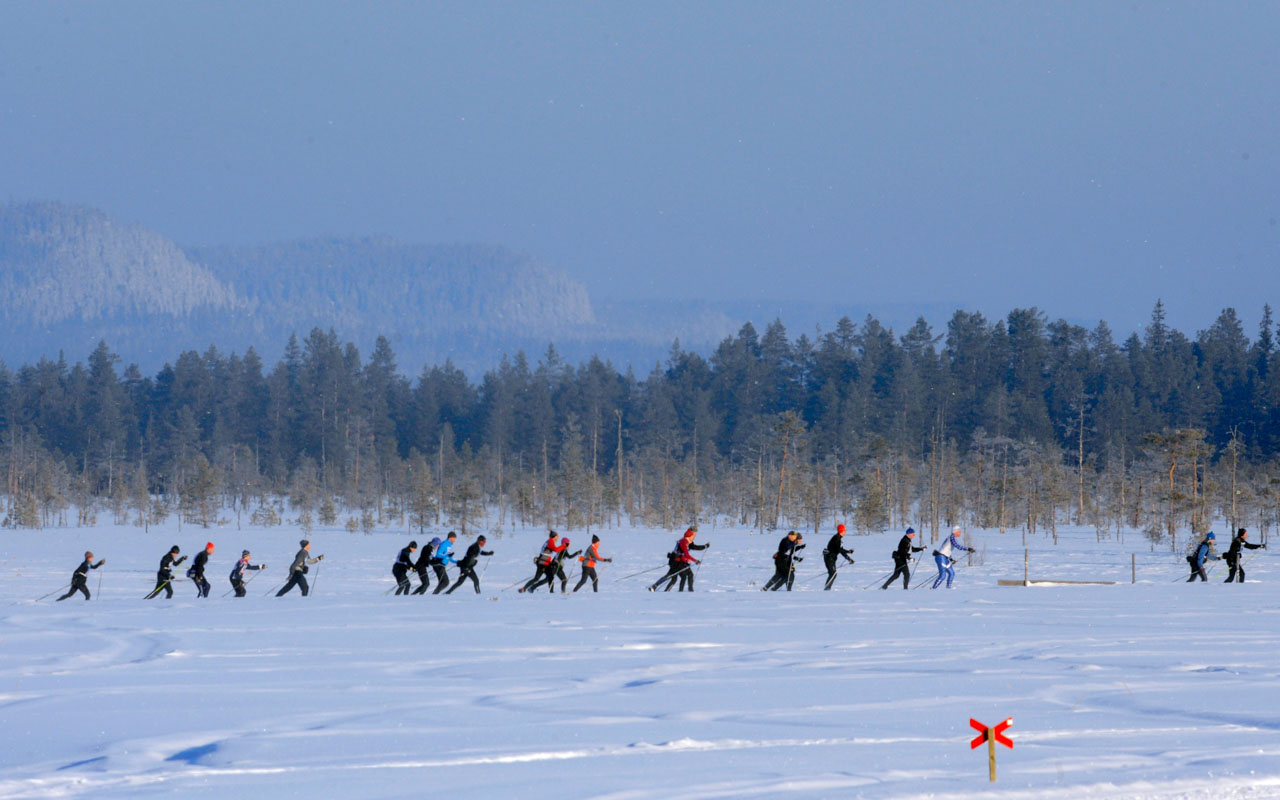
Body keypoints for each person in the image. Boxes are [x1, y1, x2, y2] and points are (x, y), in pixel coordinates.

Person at [669, 527, 708, 592]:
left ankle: (682, 591)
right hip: (678, 562)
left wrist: (705, 546)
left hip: (680, 561)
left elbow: (695, 547)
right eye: (695, 534)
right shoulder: (685, 541)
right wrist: (695, 561)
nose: (695, 536)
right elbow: (686, 554)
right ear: (692, 533)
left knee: (681, 577)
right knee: (680, 577)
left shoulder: (688, 540)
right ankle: (689, 591)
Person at [823, 524, 855, 590]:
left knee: (833, 574)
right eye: (844, 531)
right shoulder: (836, 538)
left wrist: (849, 558)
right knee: (833, 573)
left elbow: (841, 550)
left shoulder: (838, 538)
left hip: (831, 558)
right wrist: (848, 553)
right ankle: (826, 589)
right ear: (841, 531)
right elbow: (839, 550)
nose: (845, 532)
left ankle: (827, 588)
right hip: (829, 558)